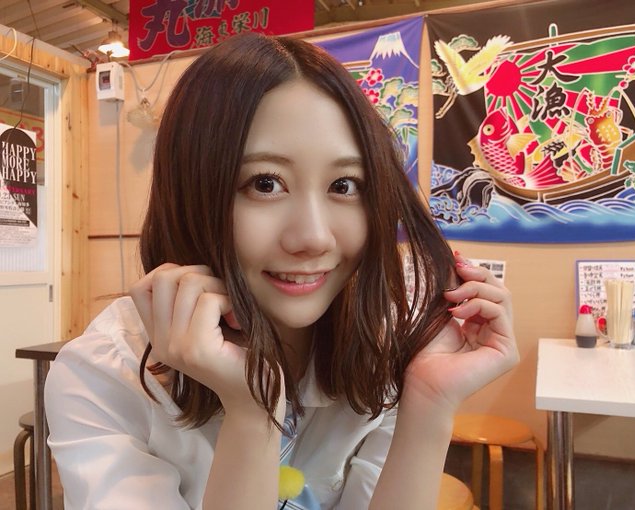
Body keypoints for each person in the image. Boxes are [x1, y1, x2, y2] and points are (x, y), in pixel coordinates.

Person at [45, 32, 518, 510]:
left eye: (344, 185)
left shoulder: (384, 343)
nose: (314, 237)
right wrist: (253, 412)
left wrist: (430, 403)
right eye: (265, 183)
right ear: (190, 191)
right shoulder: (105, 374)